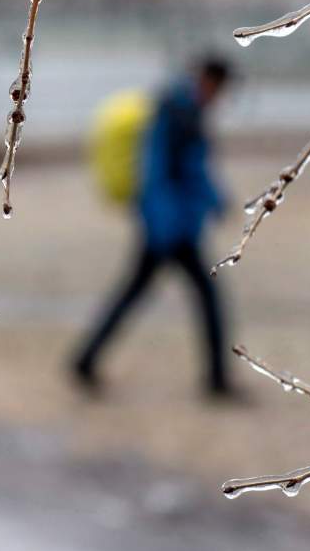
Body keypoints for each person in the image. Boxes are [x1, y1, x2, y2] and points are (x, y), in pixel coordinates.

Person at [72, 56, 235, 398]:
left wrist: (212, 202)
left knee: (134, 293)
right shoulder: (179, 113)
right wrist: (209, 204)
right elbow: (170, 171)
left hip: (167, 223)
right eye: (221, 89)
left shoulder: (177, 108)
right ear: (210, 82)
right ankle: (217, 382)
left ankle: (84, 360)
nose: (221, 97)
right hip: (170, 227)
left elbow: (182, 170)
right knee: (207, 298)